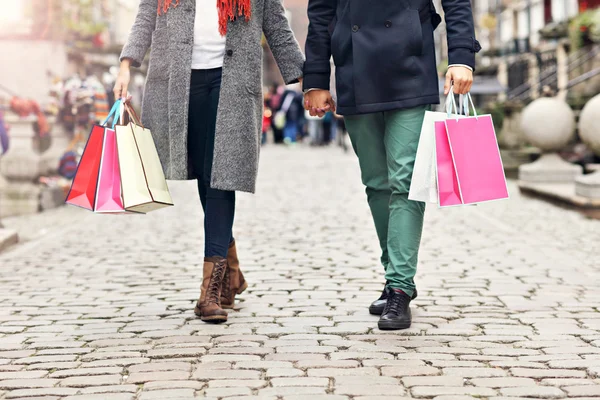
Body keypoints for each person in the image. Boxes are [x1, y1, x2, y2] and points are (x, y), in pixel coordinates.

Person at [115, 0, 304, 323]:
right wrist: (125, 66)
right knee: (205, 173)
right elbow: (146, 15)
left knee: (221, 174)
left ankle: (211, 290)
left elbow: (276, 24)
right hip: (177, 82)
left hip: (231, 82)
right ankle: (230, 270)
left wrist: (309, 81)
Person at [303, 0, 480, 330]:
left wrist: (460, 57)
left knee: (405, 179)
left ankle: (400, 287)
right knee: (376, 183)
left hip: (411, 68)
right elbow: (321, 12)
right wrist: (315, 79)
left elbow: (457, 3)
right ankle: (392, 275)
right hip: (354, 70)